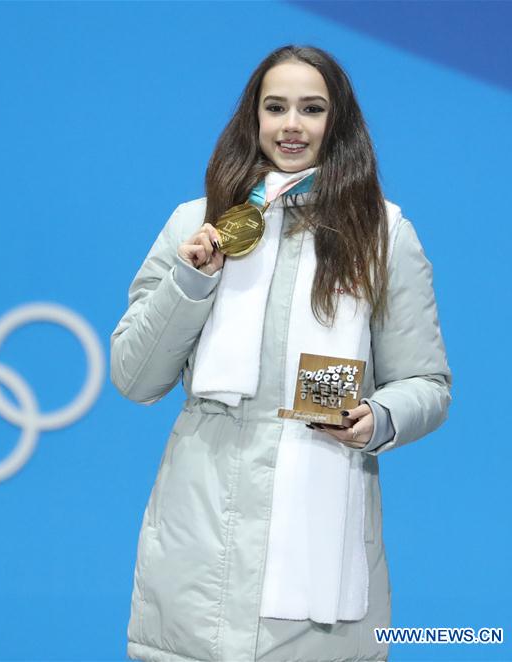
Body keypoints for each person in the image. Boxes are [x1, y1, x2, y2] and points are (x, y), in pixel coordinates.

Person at [110, 45, 452, 662]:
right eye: (276, 108)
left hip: (321, 560)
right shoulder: (197, 223)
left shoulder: (384, 234)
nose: (291, 124)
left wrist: (381, 418)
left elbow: (427, 382)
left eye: (311, 109)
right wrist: (191, 282)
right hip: (198, 561)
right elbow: (134, 378)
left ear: (337, 123)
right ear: (254, 119)